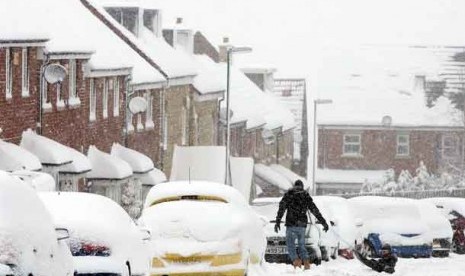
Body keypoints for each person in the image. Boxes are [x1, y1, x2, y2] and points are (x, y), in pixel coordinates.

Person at [274, 180, 329, 270]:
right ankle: (306, 263)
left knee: (291, 246)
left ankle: (296, 261)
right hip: (301, 226)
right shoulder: (305, 195)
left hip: (291, 224)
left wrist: (278, 221)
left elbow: (282, 208)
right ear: (302, 187)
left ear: (294, 186)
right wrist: (323, 222)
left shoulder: (289, 194)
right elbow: (314, 210)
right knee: (302, 245)